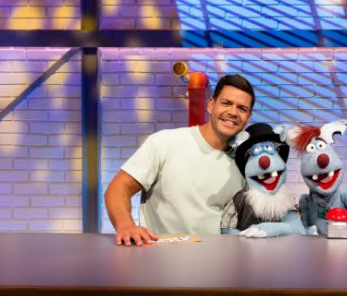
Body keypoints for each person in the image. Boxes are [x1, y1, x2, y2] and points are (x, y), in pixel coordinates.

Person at [105, 74, 254, 245]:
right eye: (226, 103)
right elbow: (119, 188)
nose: (233, 112)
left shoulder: (245, 164)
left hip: (219, 257)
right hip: (161, 256)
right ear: (211, 105)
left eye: (242, 108)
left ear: (248, 117)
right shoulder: (164, 143)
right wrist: (126, 226)